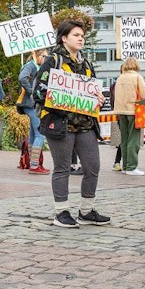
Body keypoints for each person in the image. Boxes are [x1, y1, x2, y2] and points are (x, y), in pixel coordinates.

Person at [37, 18, 110, 227]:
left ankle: (86, 211)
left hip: (85, 124)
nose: (81, 38)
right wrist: (61, 101)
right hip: (61, 124)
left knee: (92, 166)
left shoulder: (85, 63)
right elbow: (38, 91)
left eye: (82, 36)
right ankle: (61, 212)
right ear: (64, 38)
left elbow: (94, 90)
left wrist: (99, 98)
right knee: (62, 167)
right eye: (76, 35)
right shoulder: (52, 61)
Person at [113, 57, 145, 177]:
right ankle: (131, 166)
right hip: (133, 111)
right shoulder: (137, 77)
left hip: (120, 111)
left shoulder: (120, 77)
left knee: (124, 139)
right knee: (134, 139)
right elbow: (144, 95)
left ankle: (125, 166)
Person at [18, 48, 51, 174]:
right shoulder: (30, 66)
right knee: (40, 133)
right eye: (44, 56)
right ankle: (34, 165)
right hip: (31, 104)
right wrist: (32, 91)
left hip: (31, 104)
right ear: (37, 56)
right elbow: (22, 78)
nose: (46, 59)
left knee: (33, 133)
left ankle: (32, 162)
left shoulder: (35, 66)